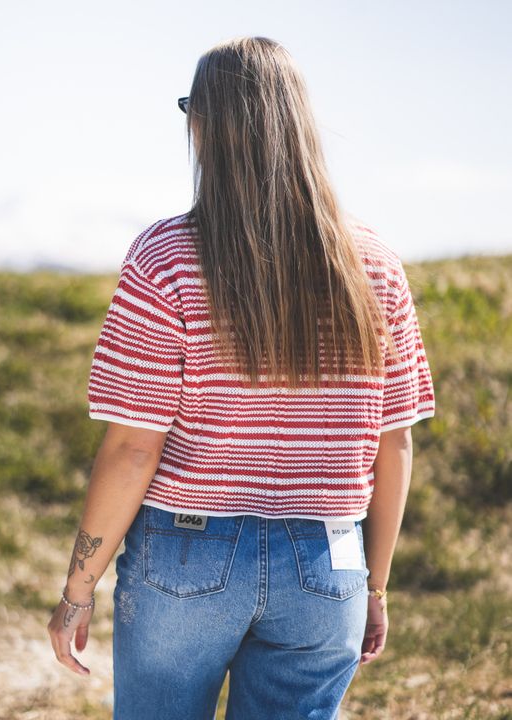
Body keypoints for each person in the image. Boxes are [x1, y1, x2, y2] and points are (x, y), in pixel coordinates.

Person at [47, 35, 436, 720]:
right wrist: (374, 589)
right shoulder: (376, 266)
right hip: (327, 561)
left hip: (185, 552)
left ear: (206, 125)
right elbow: (393, 445)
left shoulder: (165, 258)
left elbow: (134, 447)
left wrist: (78, 589)